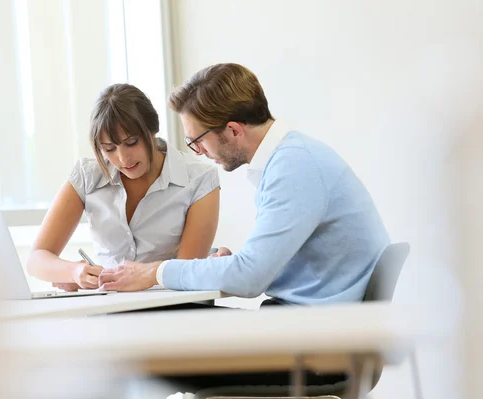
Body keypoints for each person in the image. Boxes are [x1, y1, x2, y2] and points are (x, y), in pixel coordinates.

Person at [99, 63, 390, 306]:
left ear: (234, 130)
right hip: (314, 324)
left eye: (197, 141)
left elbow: (248, 279)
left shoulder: (294, 168)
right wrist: (222, 267)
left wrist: (156, 272)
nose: (198, 152)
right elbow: (259, 268)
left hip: (317, 340)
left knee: (160, 341)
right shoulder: (292, 158)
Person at [26, 83, 220, 291]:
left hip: (170, 305)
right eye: (109, 148)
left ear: (152, 129)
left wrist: (144, 277)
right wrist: (73, 271)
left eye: (132, 142)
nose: (122, 158)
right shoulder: (88, 175)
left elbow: (185, 272)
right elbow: (36, 259)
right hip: (107, 308)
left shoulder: (199, 178)